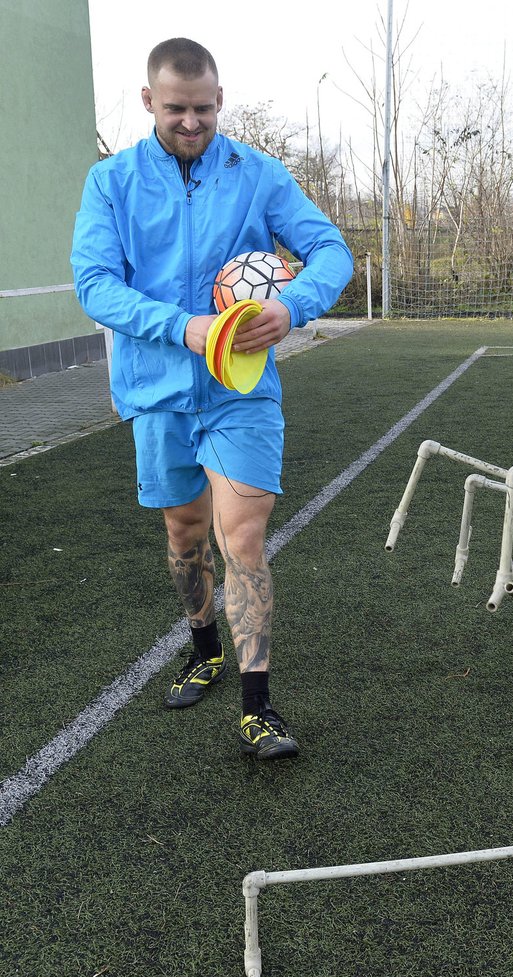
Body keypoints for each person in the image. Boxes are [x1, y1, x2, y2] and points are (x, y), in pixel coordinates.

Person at [71, 38, 354, 761]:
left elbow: (330, 252)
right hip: (159, 392)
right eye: (175, 109)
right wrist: (184, 327)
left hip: (241, 389)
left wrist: (295, 308)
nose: (190, 122)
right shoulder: (111, 182)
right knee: (184, 535)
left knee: (245, 538)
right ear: (148, 104)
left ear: (220, 100)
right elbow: (96, 284)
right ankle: (204, 649)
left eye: (203, 108)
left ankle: (259, 707)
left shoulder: (257, 174)